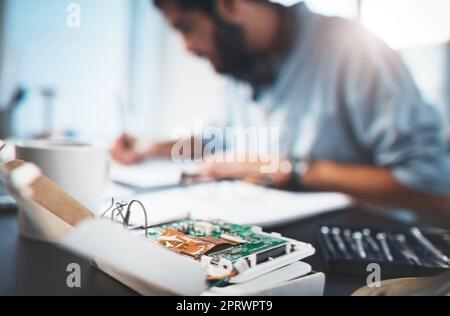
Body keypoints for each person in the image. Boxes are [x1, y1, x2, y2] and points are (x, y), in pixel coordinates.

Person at [111, 0, 450, 214]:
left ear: (230, 5)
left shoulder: (352, 49)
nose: (187, 48)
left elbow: (432, 188)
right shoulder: (237, 65)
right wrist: (149, 147)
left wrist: (285, 168)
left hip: (365, 253)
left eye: (186, 27)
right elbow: (222, 142)